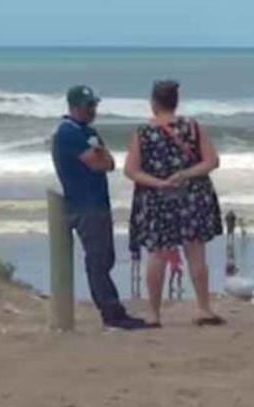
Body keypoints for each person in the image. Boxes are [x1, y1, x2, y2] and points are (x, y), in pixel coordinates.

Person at [125, 80, 225, 328]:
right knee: (196, 253)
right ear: (176, 102)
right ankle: (204, 308)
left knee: (157, 255)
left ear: (153, 103)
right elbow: (212, 161)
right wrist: (185, 174)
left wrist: (158, 183)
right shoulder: (192, 127)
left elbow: (131, 170)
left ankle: (154, 314)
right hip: (192, 196)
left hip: (157, 199)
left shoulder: (144, 132)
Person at [50, 85, 146, 330]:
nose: (92, 110)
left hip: (98, 202)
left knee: (105, 257)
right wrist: (101, 158)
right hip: (84, 204)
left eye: (93, 105)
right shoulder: (68, 133)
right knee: (97, 260)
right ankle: (111, 313)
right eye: (88, 106)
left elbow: (110, 163)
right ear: (74, 107)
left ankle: (112, 311)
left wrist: (102, 158)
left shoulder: (89, 132)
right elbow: (97, 163)